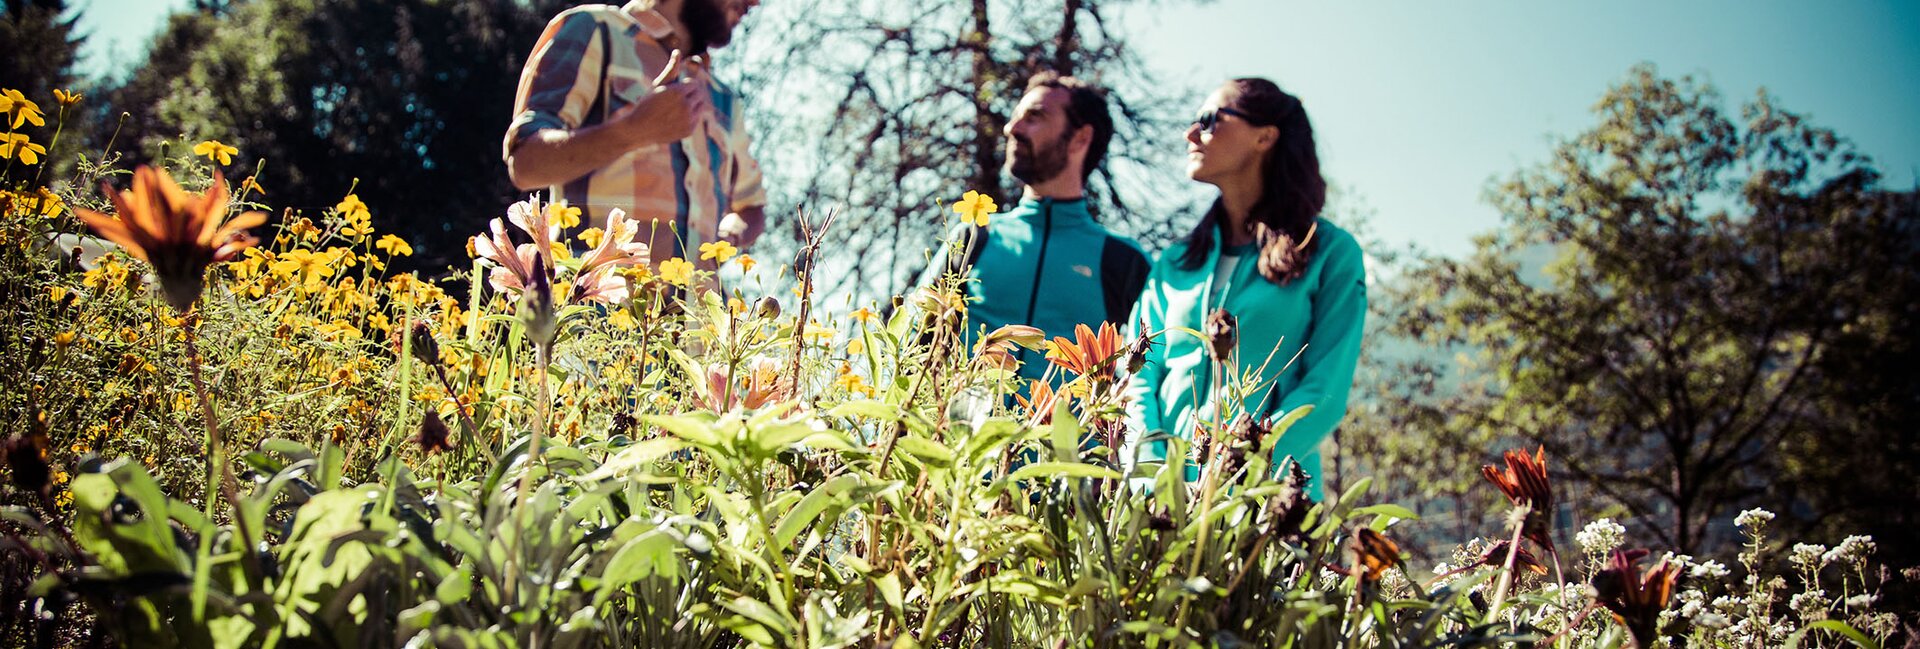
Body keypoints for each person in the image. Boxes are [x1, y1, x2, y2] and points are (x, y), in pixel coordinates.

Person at [1125, 78, 1367, 500]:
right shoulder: (1175, 262)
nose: (1191, 134)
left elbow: (1325, 390)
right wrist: (1155, 479)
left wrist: (1239, 473)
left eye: (1209, 120)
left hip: (1270, 508)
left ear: (1265, 136)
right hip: (1158, 508)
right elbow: (1138, 375)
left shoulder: (1331, 254)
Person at [503, 0, 766, 263]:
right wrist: (633, 132)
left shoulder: (724, 100)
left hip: (696, 304)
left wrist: (728, 236)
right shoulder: (597, 29)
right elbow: (525, 163)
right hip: (596, 297)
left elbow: (751, 207)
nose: (754, 3)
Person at [938, 72, 1151, 383]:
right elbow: (918, 338)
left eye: (1034, 117)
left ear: (1080, 138)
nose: (1012, 128)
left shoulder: (1122, 259)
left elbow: (1156, 368)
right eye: (1015, 117)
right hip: (962, 429)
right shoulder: (974, 236)